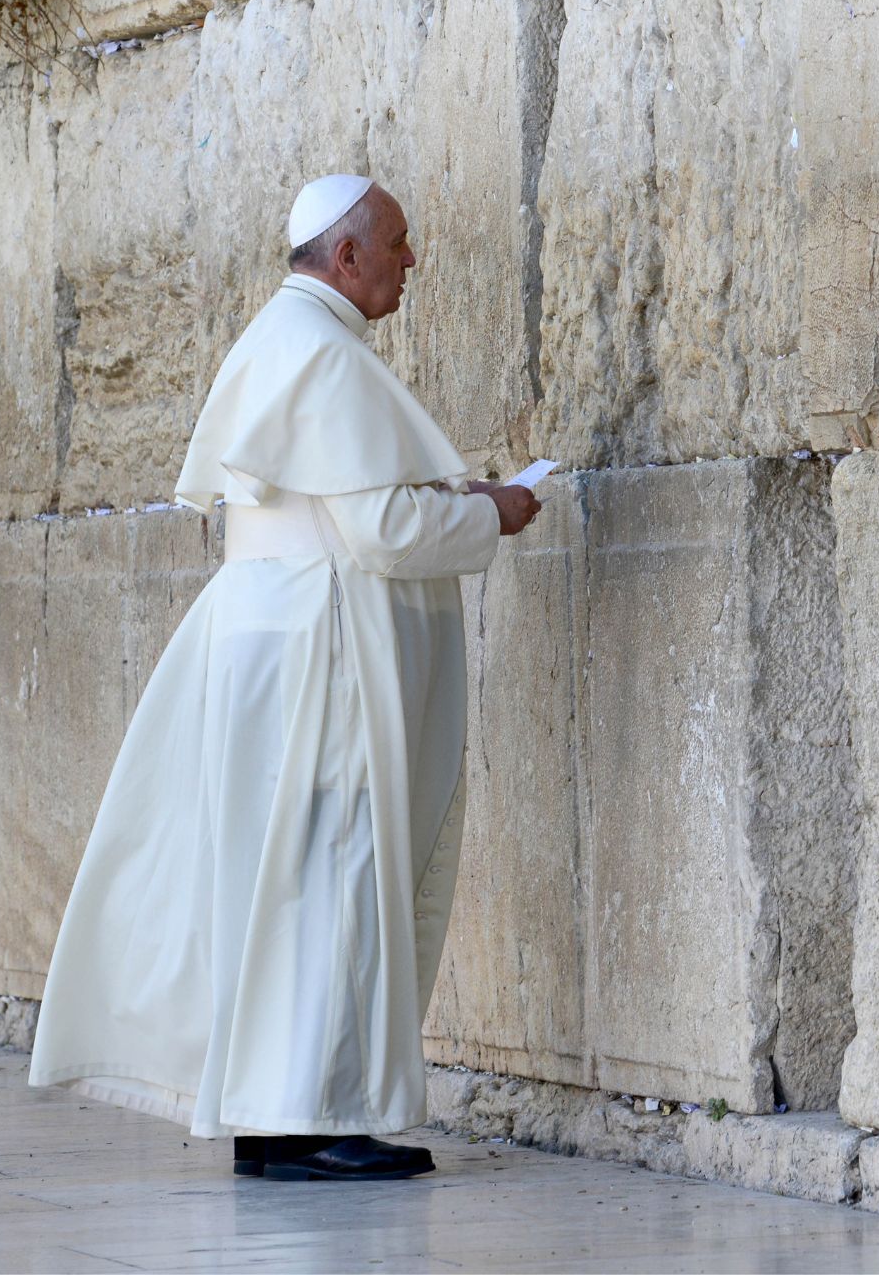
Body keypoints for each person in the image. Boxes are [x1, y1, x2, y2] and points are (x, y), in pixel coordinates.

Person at [27, 174, 541, 1182]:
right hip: (325, 661)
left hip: (274, 644)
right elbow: (384, 530)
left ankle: (278, 1120)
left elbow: (350, 499)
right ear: (345, 257)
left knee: (287, 885)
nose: (409, 259)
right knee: (335, 877)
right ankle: (321, 1117)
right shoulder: (320, 354)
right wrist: (495, 512)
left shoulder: (283, 339)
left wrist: (456, 496)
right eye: (396, 243)